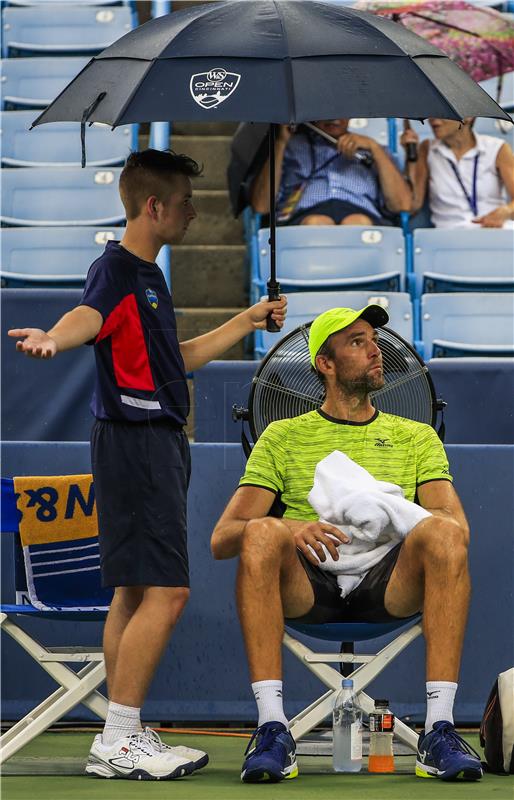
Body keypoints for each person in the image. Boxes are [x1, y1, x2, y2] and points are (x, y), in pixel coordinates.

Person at [8, 148, 287, 782]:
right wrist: (55, 335)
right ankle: (122, 735)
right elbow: (88, 316)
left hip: (150, 442)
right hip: (137, 443)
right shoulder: (116, 269)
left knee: (133, 591)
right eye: (185, 202)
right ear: (153, 207)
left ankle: (121, 727)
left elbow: (176, 360)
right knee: (168, 590)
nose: (194, 211)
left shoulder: (152, 278)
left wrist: (244, 319)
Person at [211, 305, 483, 785]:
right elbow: (223, 538)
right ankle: (272, 728)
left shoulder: (416, 437)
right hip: (308, 586)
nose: (376, 349)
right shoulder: (282, 437)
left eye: (373, 339)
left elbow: (454, 525)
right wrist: (293, 527)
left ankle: (439, 729)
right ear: (325, 364)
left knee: (443, 534)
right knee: (260, 530)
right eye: (357, 342)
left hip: (389, 586)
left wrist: (382, 521)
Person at [250, 119, 412, 226]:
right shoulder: (290, 147)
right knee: (316, 223)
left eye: (340, 110)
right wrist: (280, 141)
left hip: (362, 213)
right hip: (305, 214)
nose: (333, 118)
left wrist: (374, 148)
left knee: (357, 223)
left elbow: (403, 205)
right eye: (326, 111)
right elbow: (261, 207)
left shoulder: (375, 150)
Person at [401, 117, 514, 228]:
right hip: (449, 238)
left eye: (441, 114)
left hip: (494, 231)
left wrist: (506, 212)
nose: (433, 119)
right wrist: (410, 157)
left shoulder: (497, 148)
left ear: (468, 117)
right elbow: (414, 204)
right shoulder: (426, 148)